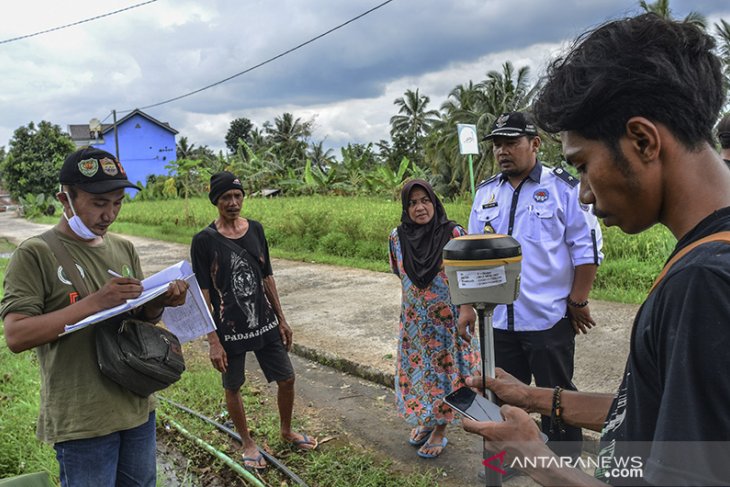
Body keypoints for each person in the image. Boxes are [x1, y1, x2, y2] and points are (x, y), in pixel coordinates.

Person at [460, 13, 730, 486]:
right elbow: (655, 413)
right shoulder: (704, 257)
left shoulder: (702, 285)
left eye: (583, 165)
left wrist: (537, 460)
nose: (584, 192)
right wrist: (535, 398)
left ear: (643, 140)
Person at [0, 147, 189, 487]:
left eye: (117, 202)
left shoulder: (123, 249)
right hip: (83, 419)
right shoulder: (36, 254)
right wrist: (96, 302)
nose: (110, 214)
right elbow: (16, 335)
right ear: (65, 199)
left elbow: (136, 323)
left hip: (136, 406)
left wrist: (158, 303)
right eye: (99, 204)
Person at [464, 111, 603, 460]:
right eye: (497, 144)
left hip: (547, 319)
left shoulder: (562, 189)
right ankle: (504, 461)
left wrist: (578, 301)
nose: (502, 151)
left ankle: (565, 464)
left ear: (535, 144)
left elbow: (586, 250)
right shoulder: (485, 194)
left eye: (511, 142)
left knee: (557, 397)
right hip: (495, 320)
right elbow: (470, 255)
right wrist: (467, 306)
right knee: (499, 397)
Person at [190, 171, 316, 470]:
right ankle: (247, 441)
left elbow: (267, 277)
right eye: (226, 198)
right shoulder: (204, 241)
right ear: (215, 201)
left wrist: (282, 319)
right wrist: (212, 340)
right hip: (229, 329)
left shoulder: (255, 230)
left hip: (264, 321)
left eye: (237, 196)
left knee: (286, 378)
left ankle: (286, 431)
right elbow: (204, 293)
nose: (233, 203)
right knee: (233, 386)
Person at [388, 179, 480, 459]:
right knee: (421, 375)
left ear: (434, 202)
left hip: (447, 323)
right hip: (415, 324)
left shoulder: (453, 232)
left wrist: (466, 308)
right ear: (406, 208)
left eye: (425, 200)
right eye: (412, 202)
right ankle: (428, 419)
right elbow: (398, 271)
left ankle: (441, 429)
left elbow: (466, 275)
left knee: (445, 375)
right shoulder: (396, 237)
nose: (420, 207)